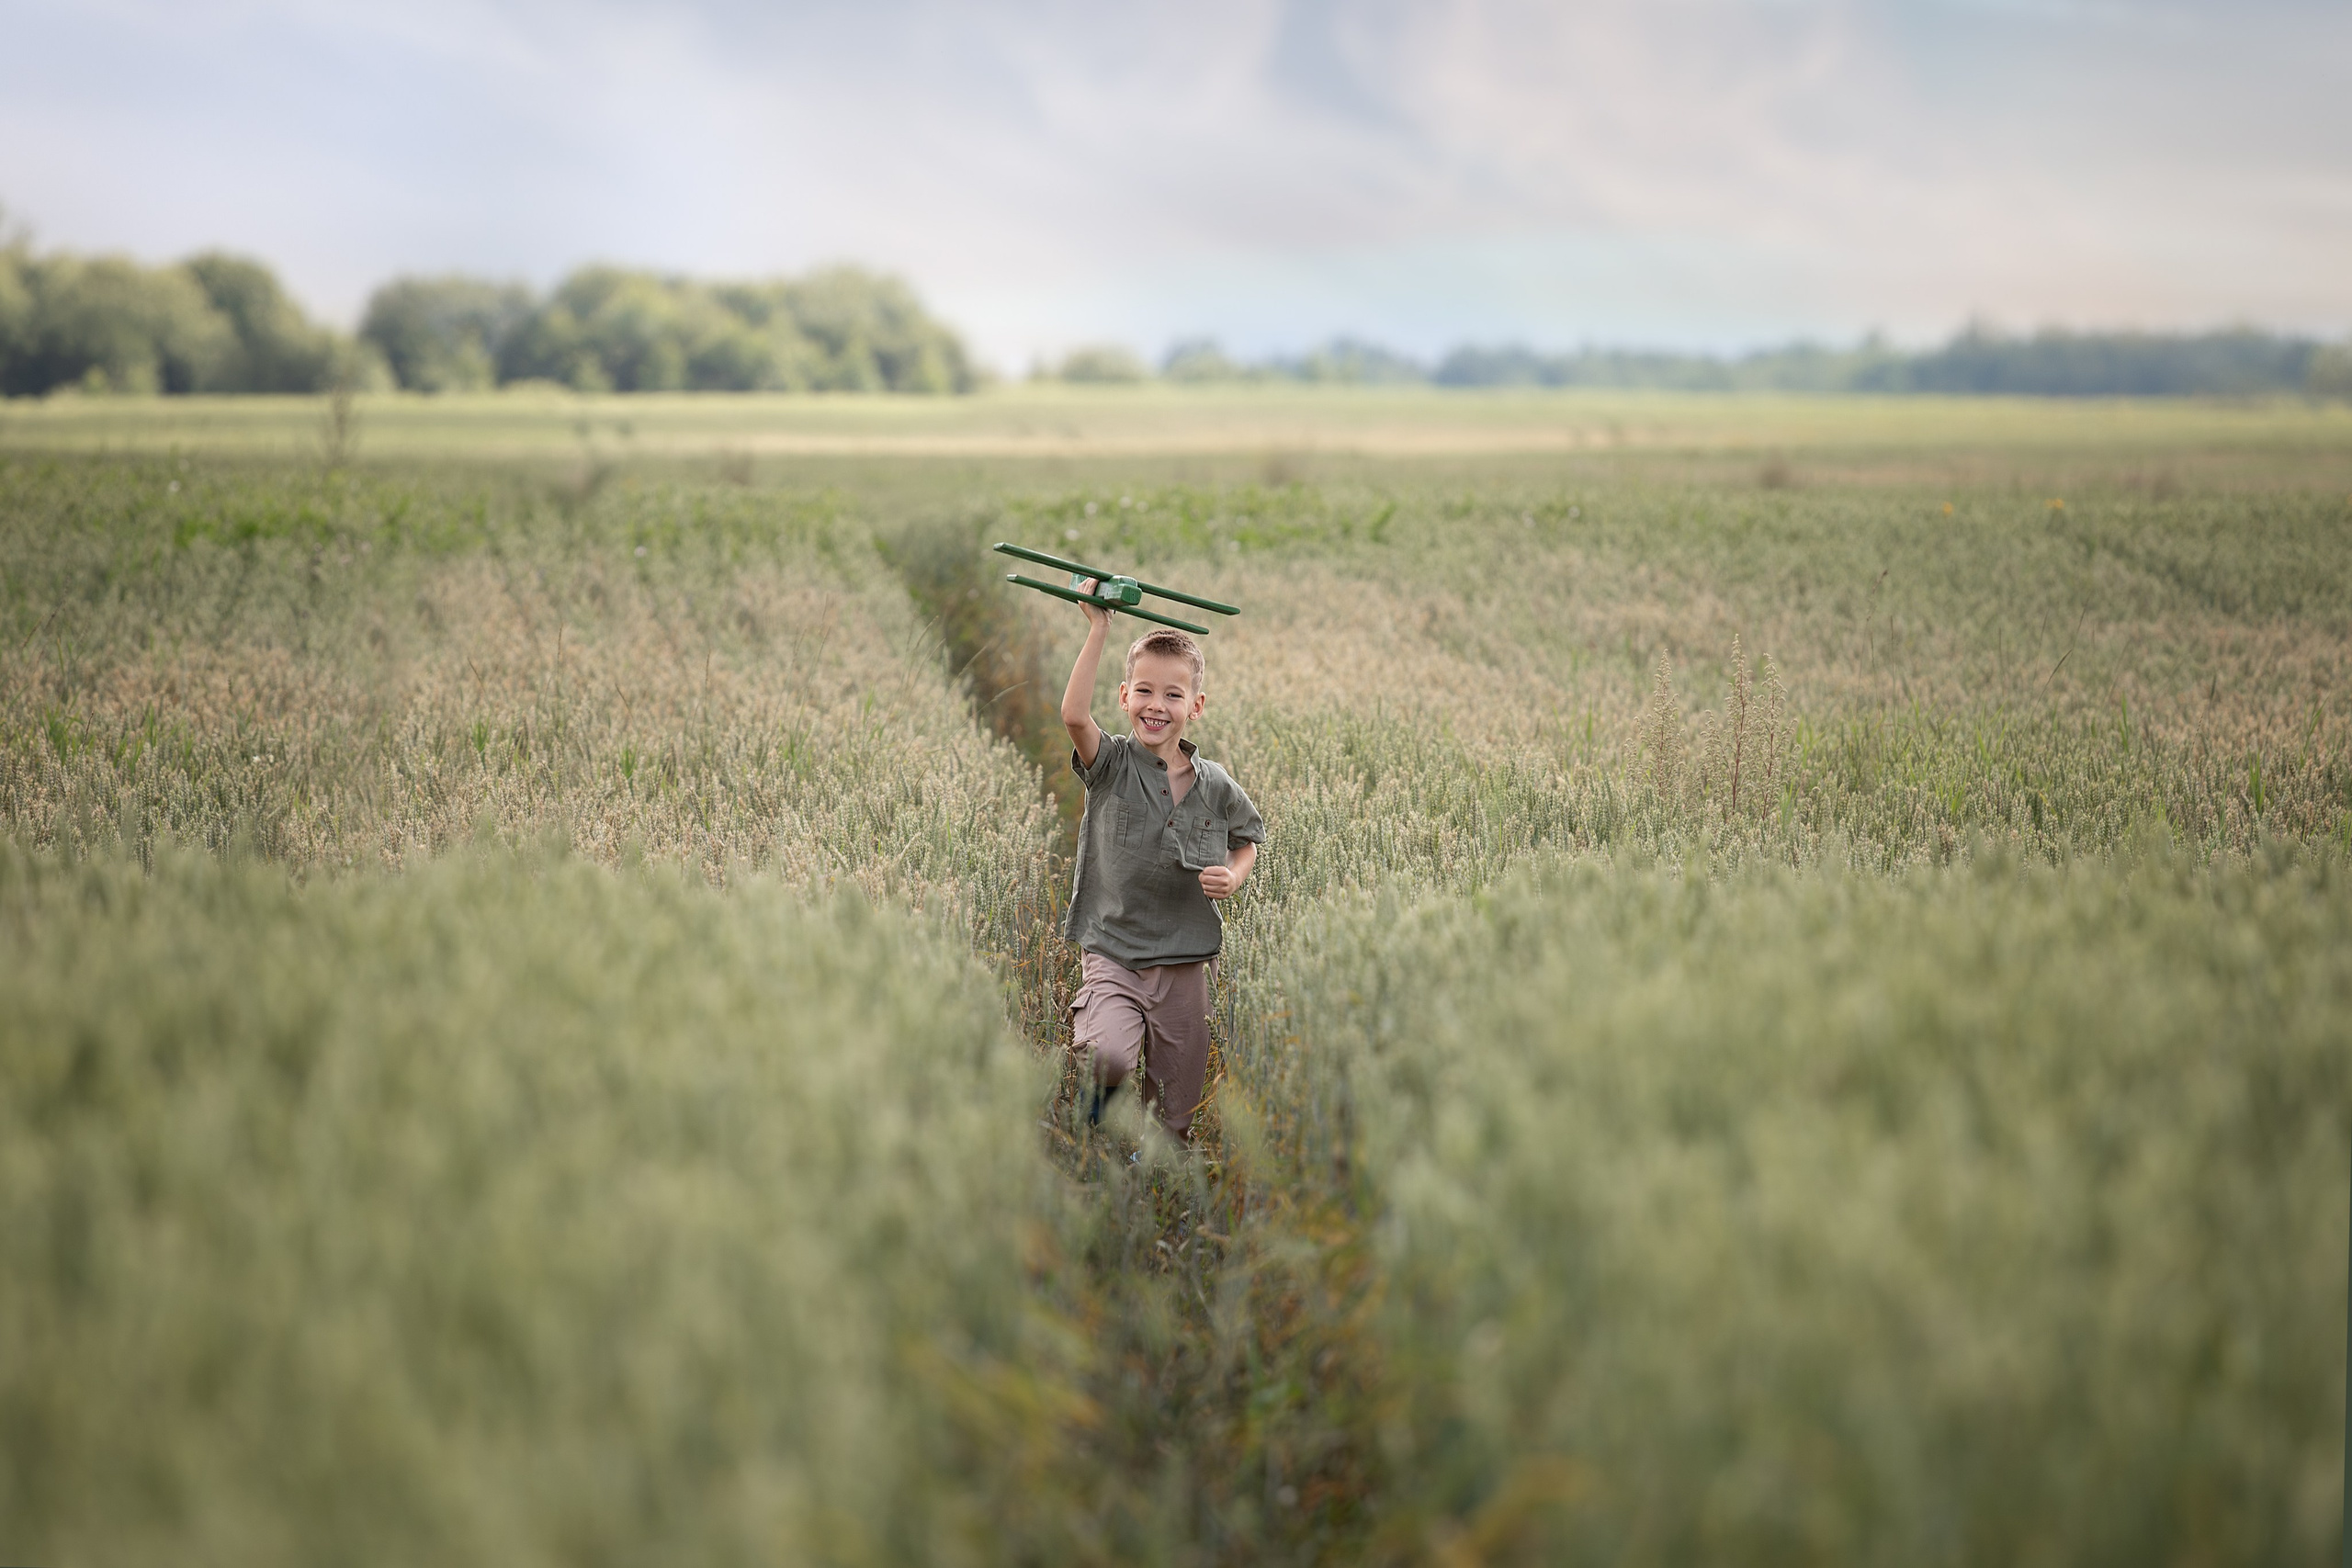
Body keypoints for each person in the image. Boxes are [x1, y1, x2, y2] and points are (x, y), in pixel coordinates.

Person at [1060, 583, 1264, 1143]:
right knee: (1110, 1058)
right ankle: (1094, 1126)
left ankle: (1147, 1173)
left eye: (1173, 695)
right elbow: (1075, 716)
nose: (1157, 705)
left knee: (1176, 1104)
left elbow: (1246, 841)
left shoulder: (1217, 785)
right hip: (1114, 950)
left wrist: (1234, 874)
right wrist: (1098, 626)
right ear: (1124, 696)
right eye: (1144, 691)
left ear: (1195, 707)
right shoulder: (1111, 765)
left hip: (1183, 962)